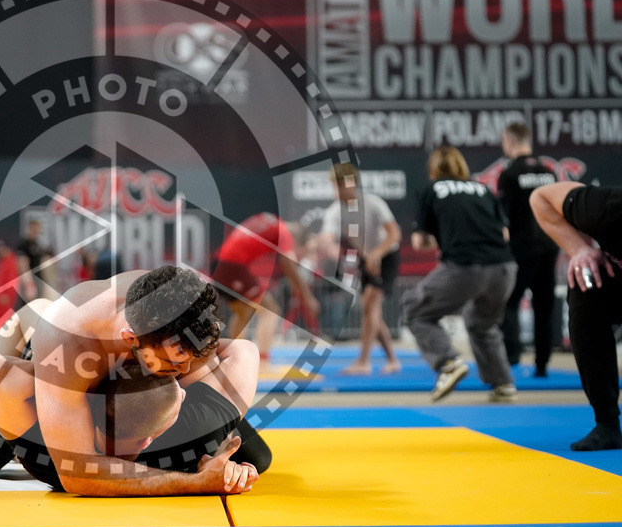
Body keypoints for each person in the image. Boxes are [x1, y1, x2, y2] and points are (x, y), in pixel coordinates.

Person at [0, 265, 271, 496]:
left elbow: (233, 353)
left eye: (190, 362)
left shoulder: (176, 312)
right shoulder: (69, 337)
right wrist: (197, 481)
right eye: (173, 366)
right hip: (64, 385)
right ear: (130, 339)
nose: (183, 373)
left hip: (133, 410)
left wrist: (206, 447)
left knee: (257, 457)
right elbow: (76, 475)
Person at [0, 345, 258, 494]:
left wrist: (80, 373)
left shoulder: (49, 455)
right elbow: (244, 349)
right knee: (260, 457)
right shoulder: (194, 430)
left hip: (53, 389)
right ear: (147, 440)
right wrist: (201, 478)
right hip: (70, 376)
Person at [403, 146, 518, 402]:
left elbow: (420, 242)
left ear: (433, 169)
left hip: (466, 266)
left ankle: (449, 362)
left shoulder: (431, 191)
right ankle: (503, 384)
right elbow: (505, 235)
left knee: (415, 309)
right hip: (504, 268)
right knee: (482, 322)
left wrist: (444, 237)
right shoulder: (482, 189)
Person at [531, 182, 622, 451]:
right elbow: (541, 197)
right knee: (585, 284)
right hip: (616, 277)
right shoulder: (604, 209)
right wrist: (579, 249)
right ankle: (606, 423)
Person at [320, 163, 402, 375]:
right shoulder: (335, 211)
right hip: (366, 258)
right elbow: (327, 240)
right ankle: (393, 360)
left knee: (370, 305)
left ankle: (364, 362)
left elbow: (394, 234)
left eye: (341, 185)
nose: (337, 191)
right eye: (334, 186)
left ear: (353, 183)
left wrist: (376, 254)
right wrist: (331, 249)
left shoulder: (373, 203)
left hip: (386, 254)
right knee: (371, 309)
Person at [211, 213, 320, 363]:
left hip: (219, 263)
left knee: (243, 311)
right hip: (232, 267)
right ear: (295, 239)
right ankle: (263, 360)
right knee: (271, 310)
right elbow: (289, 266)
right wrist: (308, 297)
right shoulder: (285, 233)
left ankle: (232, 357)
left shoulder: (268, 218)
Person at [497, 123, 559, 375]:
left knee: (509, 302)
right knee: (544, 306)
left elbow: (504, 220)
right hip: (549, 246)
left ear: (510, 141)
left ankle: (511, 360)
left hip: (522, 249)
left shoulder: (510, 174)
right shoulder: (549, 172)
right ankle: (542, 365)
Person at [0, 240, 20, 333]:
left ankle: (2, 339)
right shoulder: (3, 262)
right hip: (0, 296)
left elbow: (12, 280)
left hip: (4, 297)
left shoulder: (11, 262)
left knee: (2, 319)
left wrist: (6, 295)